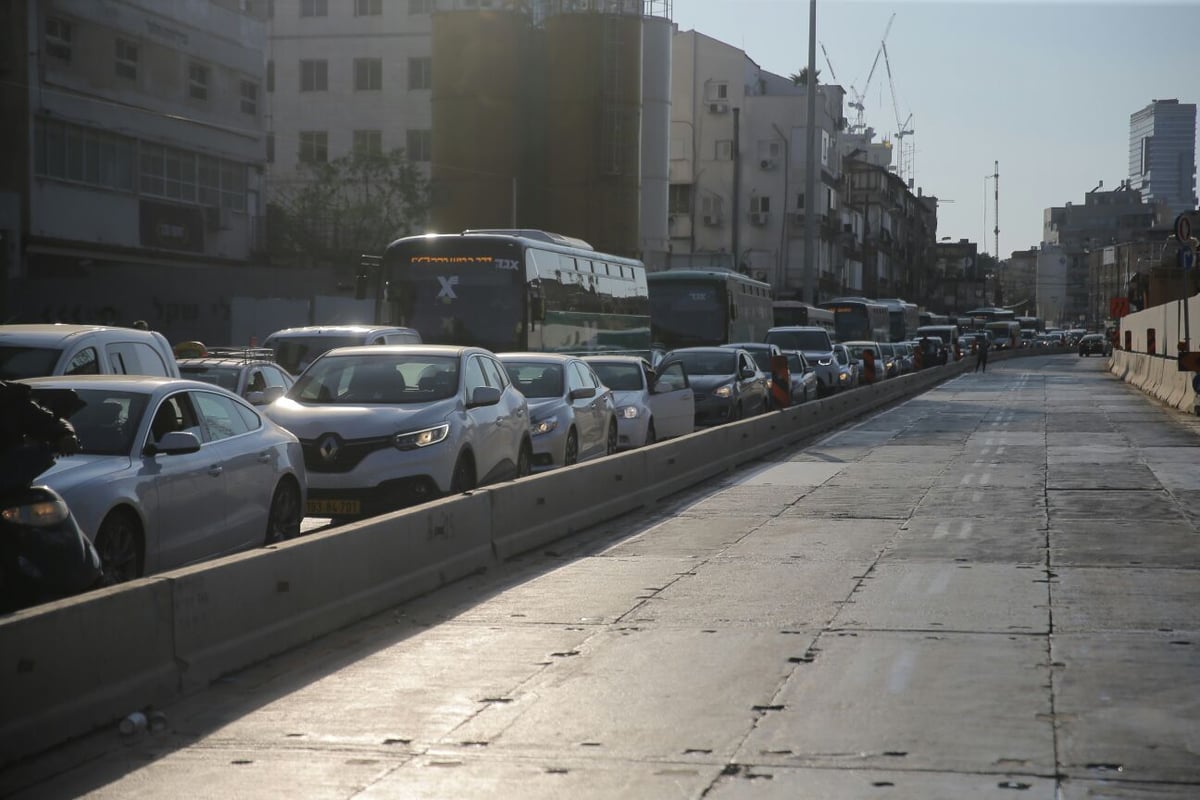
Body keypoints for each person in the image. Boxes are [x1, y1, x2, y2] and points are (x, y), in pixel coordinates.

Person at [0, 380, 80, 492]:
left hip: (7, 484)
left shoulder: (11, 398)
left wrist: (66, 435)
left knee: (43, 501)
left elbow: (46, 422)